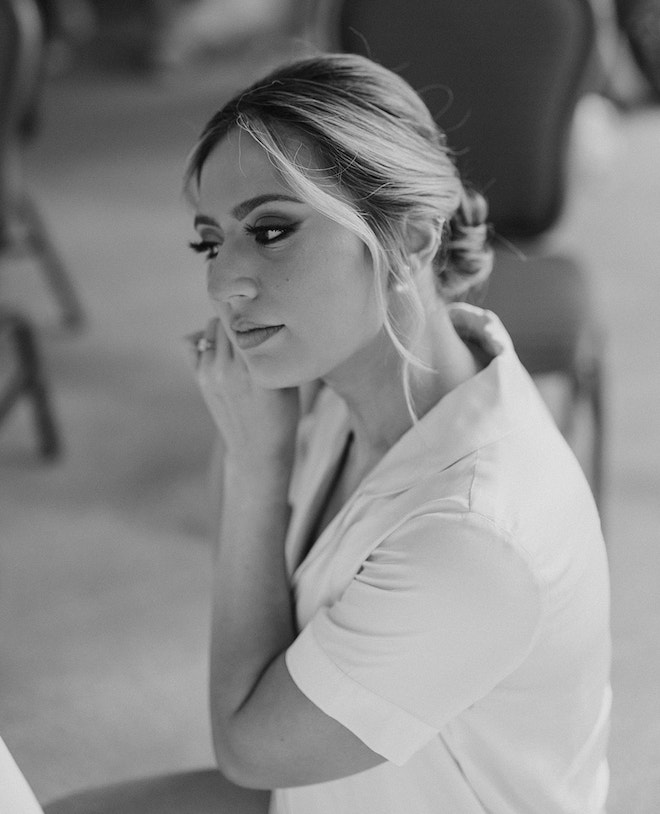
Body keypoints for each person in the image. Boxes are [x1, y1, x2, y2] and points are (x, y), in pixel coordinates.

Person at [45, 52, 611, 814]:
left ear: (409, 238)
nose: (221, 283)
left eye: (271, 230)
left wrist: (256, 467)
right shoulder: (342, 384)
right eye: (210, 241)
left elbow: (249, 748)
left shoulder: (475, 538)